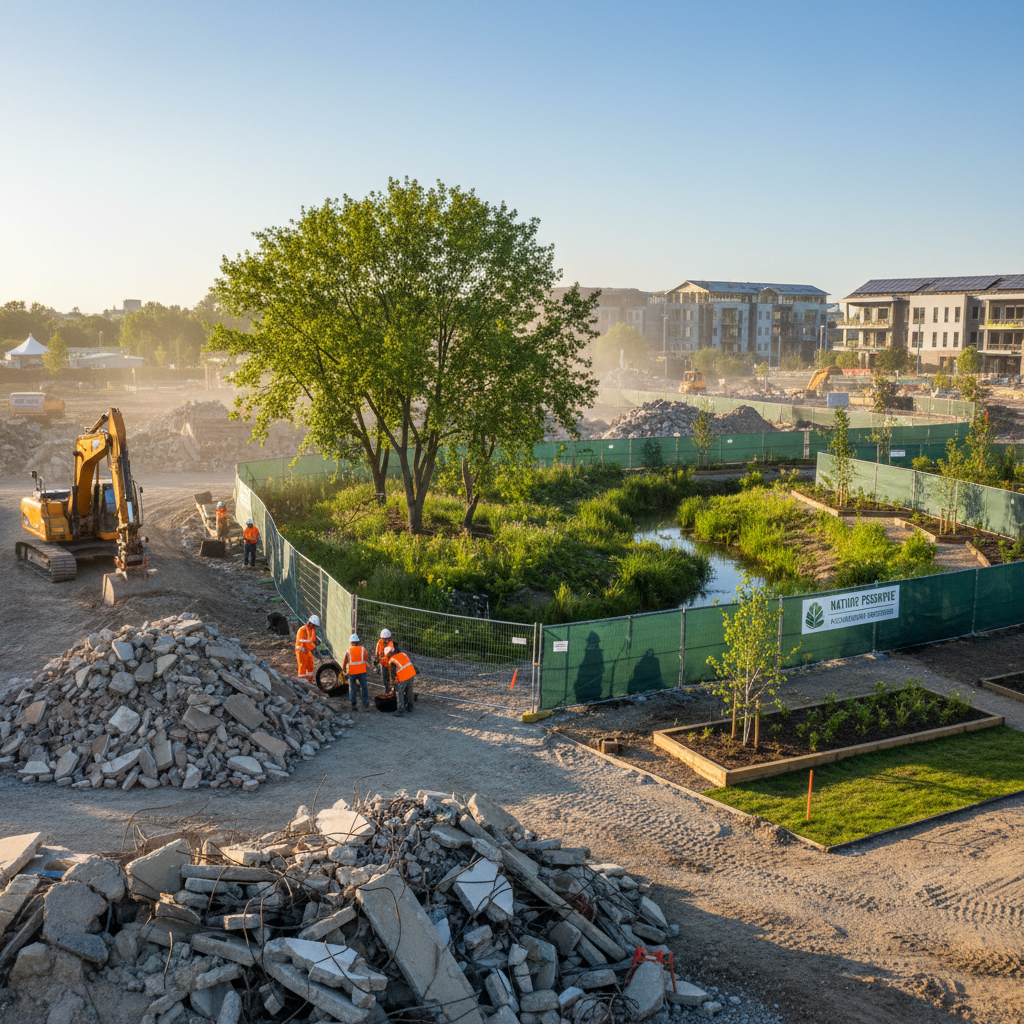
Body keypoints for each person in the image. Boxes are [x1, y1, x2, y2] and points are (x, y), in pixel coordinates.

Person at [342, 633, 370, 711]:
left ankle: (353, 705)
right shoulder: (363, 649)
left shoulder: (348, 651)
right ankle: (366, 705)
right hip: (362, 671)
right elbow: (366, 660)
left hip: (352, 672)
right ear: (358, 642)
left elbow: (344, 662)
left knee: (352, 688)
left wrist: (344, 671)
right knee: (364, 687)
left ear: (351, 642)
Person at [387, 649, 417, 716]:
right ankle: (410, 707)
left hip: (403, 677)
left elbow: (393, 674)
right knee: (410, 691)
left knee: (399, 692)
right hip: (411, 674)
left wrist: (393, 686)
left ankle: (400, 710)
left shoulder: (392, 660)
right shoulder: (403, 654)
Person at [294, 614, 320, 681]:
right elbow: (306, 643)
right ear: (310, 623)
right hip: (301, 651)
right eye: (314, 625)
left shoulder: (312, 629)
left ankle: (309, 681)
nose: (314, 627)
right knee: (302, 667)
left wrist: (317, 641)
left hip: (307, 651)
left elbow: (313, 639)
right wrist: (314, 649)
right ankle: (301, 682)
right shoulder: (302, 630)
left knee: (310, 666)